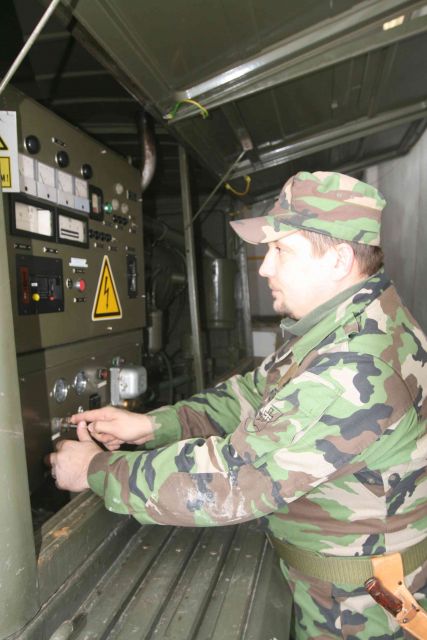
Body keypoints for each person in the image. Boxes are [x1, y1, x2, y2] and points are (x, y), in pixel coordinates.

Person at [49, 171, 427, 639]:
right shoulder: (344, 324)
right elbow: (254, 393)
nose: (265, 268)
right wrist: (152, 426)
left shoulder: (352, 366)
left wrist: (93, 470)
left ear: (338, 260)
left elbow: (234, 479)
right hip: (345, 584)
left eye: (281, 250)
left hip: (363, 612)